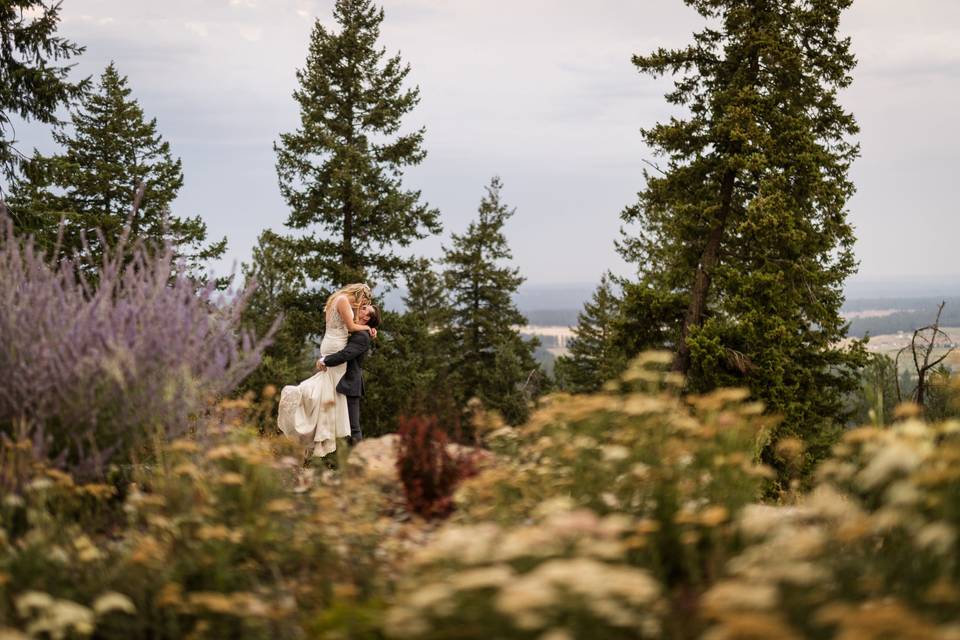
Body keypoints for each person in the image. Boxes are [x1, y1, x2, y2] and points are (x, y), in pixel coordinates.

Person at [277, 284, 376, 457]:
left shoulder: (338, 300)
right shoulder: (344, 301)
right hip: (335, 348)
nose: (361, 306)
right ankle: (318, 425)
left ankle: (313, 419)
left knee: (325, 390)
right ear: (359, 295)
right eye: (364, 302)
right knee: (328, 391)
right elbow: (352, 327)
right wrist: (367, 328)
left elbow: (352, 328)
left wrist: (369, 327)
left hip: (331, 344)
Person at [315, 304, 380, 444]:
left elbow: (346, 354)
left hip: (350, 384)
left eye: (364, 309)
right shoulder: (358, 330)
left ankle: (358, 460)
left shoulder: (362, 336)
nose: (360, 308)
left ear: (367, 317)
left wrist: (325, 360)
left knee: (353, 427)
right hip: (342, 381)